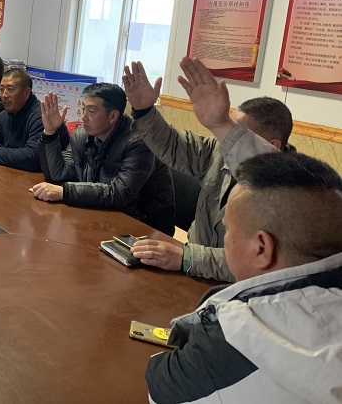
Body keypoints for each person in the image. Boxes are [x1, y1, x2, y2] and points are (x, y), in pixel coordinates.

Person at [145, 151, 342, 404]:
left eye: (227, 229)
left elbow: (159, 387)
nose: (225, 237)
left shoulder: (232, 338)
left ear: (261, 248)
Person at [123, 57, 293, 281]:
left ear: (273, 146)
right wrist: (145, 112)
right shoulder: (217, 150)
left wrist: (188, 258)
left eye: (237, 132)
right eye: (228, 127)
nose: (227, 138)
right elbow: (172, 145)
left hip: (235, 288)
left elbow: (259, 266)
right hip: (191, 271)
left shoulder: (292, 194)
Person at [33, 85, 175, 235]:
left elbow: (120, 193)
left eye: (91, 111)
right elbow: (58, 173)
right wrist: (50, 132)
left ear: (113, 116)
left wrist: (66, 192)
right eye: (83, 109)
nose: (83, 117)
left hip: (144, 227)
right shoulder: (82, 135)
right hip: (101, 216)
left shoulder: (139, 143)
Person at [0, 68, 69, 172]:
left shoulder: (41, 116)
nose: (4, 95)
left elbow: (34, 158)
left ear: (26, 93)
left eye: (10, 89)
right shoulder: (5, 115)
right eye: (2, 89)